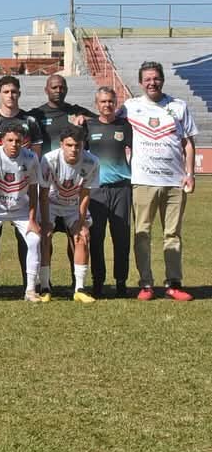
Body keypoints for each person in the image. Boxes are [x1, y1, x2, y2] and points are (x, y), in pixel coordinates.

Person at [121, 61, 197, 301]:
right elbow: (106, 117)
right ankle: (146, 284)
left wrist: (190, 173)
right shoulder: (130, 107)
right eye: (147, 79)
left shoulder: (178, 106)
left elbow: (188, 143)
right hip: (143, 181)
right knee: (142, 232)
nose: (152, 82)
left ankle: (173, 283)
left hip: (174, 182)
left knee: (172, 234)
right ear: (141, 82)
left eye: (156, 78)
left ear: (162, 79)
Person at [0, 75, 43, 291]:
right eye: (6, 92)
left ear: (19, 94)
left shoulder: (30, 121)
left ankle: (28, 283)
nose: (10, 95)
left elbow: (36, 152)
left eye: (14, 91)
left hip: (21, 186)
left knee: (25, 237)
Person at [39, 124, 100, 303]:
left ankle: (79, 288)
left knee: (82, 236)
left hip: (74, 205)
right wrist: (45, 221)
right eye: (69, 145)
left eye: (78, 145)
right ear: (61, 145)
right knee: (45, 236)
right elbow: (42, 194)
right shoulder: (49, 160)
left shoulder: (92, 162)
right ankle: (44, 287)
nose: (74, 149)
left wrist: (81, 222)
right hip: (50, 202)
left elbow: (85, 194)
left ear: (83, 145)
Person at [85, 86, 132, 298]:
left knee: (121, 237)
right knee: (96, 237)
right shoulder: (88, 126)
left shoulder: (125, 126)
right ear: (97, 104)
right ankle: (98, 281)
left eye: (111, 101)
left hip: (121, 188)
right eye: (103, 101)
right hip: (96, 191)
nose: (107, 105)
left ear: (116, 103)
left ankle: (121, 282)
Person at [28, 74, 95, 153]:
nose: (58, 91)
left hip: (72, 162)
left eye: (62, 88)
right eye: (54, 88)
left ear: (66, 90)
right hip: (47, 163)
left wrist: (85, 118)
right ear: (46, 90)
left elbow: (102, 121)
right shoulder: (37, 114)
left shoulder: (76, 111)